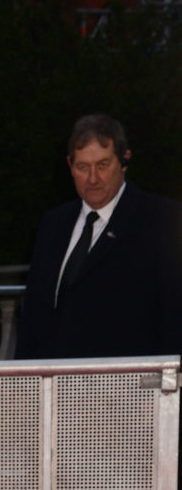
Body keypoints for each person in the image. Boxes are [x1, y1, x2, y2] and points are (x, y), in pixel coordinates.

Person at [16, 114, 182, 359]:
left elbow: (174, 318)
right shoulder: (53, 223)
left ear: (124, 161)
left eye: (103, 165)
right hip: (56, 388)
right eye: (83, 167)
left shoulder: (163, 220)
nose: (92, 179)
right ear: (70, 166)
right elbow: (33, 317)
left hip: (132, 388)